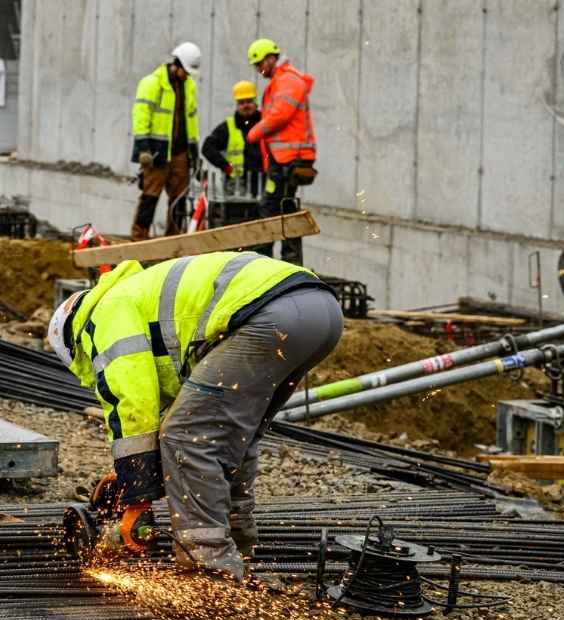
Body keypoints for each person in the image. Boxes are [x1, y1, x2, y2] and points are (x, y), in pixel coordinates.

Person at [48, 252, 343, 581]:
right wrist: (130, 480)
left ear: (73, 344)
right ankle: (238, 546)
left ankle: (209, 569)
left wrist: (138, 502)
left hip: (269, 314)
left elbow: (135, 405)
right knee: (230, 436)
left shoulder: (101, 319)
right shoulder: (136, 296)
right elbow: (182, 410)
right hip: (319, 311)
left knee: (187, 437)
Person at [246, 39, 317, 263]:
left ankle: (276, 261)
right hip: (282, 160)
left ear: (270, 58)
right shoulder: (280, 81)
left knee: (280, 206)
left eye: (259, 65)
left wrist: (254, 132)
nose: (259, 70)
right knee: (278, 206)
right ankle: (273, 260)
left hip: (290, 160)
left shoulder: (288, 80)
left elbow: (280, 115)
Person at [129, 42, 202, 241]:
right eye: (185, 71)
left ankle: (174, 240)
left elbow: (191, 119)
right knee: (150, 196)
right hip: (157, 151)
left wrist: (194, 151)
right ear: (176, 64)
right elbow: (141, 115)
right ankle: (139, 238)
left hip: (180, 151)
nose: (187, 75)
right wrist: (143, 147)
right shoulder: (152, 83)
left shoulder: (189, 86)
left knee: (179, 198)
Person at [200, 80, 262, 194]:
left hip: (263, 184)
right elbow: (207, 147)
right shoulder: (228, 127)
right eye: (241, 102)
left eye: (249, 101)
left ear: (255, 103)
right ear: (237, 105)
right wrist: (225, 166)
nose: (245, 105)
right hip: (236, 187)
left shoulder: (266, 124)